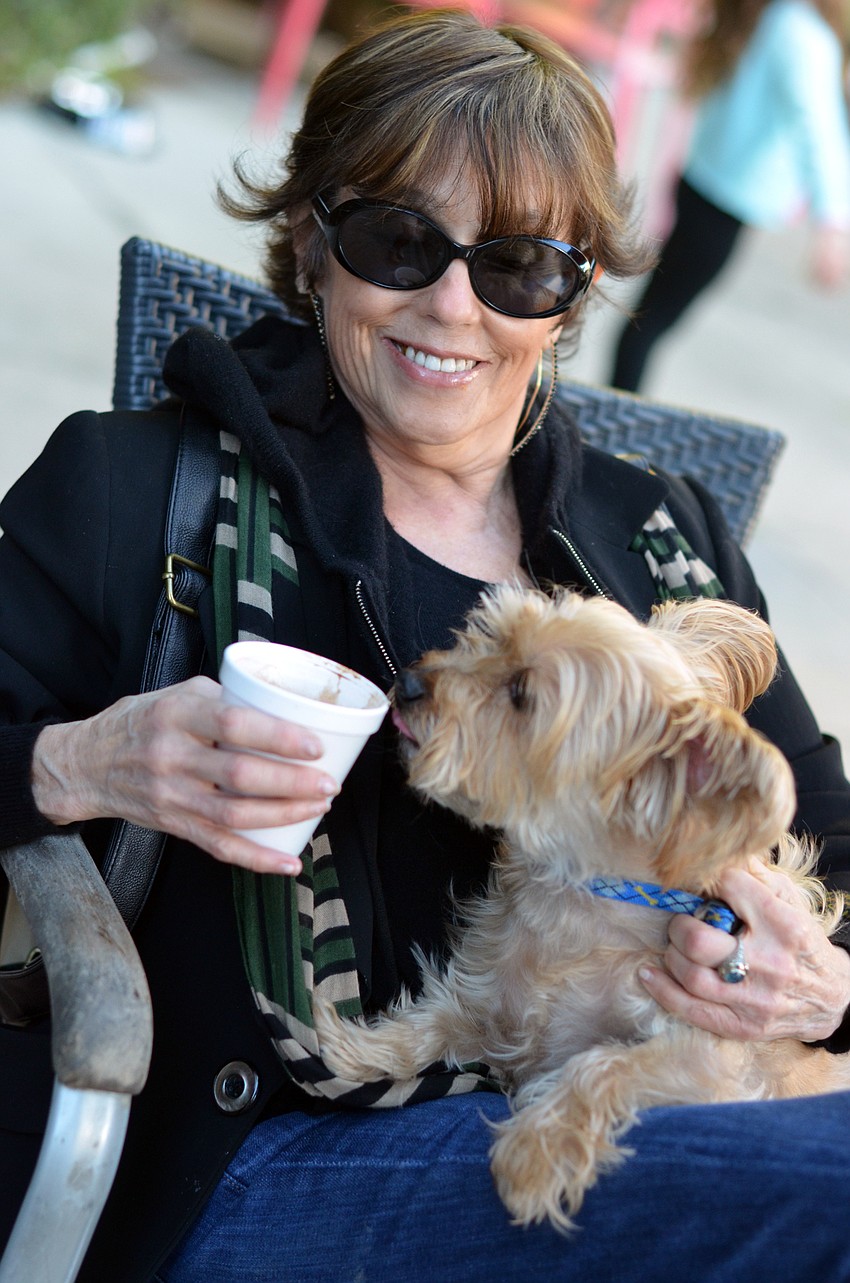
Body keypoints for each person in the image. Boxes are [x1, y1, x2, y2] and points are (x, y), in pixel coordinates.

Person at [2, 10, 850, 1282]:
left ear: (567, 301)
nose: (453, 303)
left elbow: (828, 832)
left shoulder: (659, 539)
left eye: (519, 265)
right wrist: (83, 762)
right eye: (401, 240)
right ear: (313, 240)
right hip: (275, 1156)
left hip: (651, 1112)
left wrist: (820, 985)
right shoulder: (138, 485)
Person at [609, 0, 850, 392]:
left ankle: (618, 413)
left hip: (702, 181)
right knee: (651, 322)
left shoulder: (763, 14)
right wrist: (833, 224)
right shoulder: (800, 32)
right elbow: (819, 127)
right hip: (724, 199)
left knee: (649, 319)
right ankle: (618, 420)